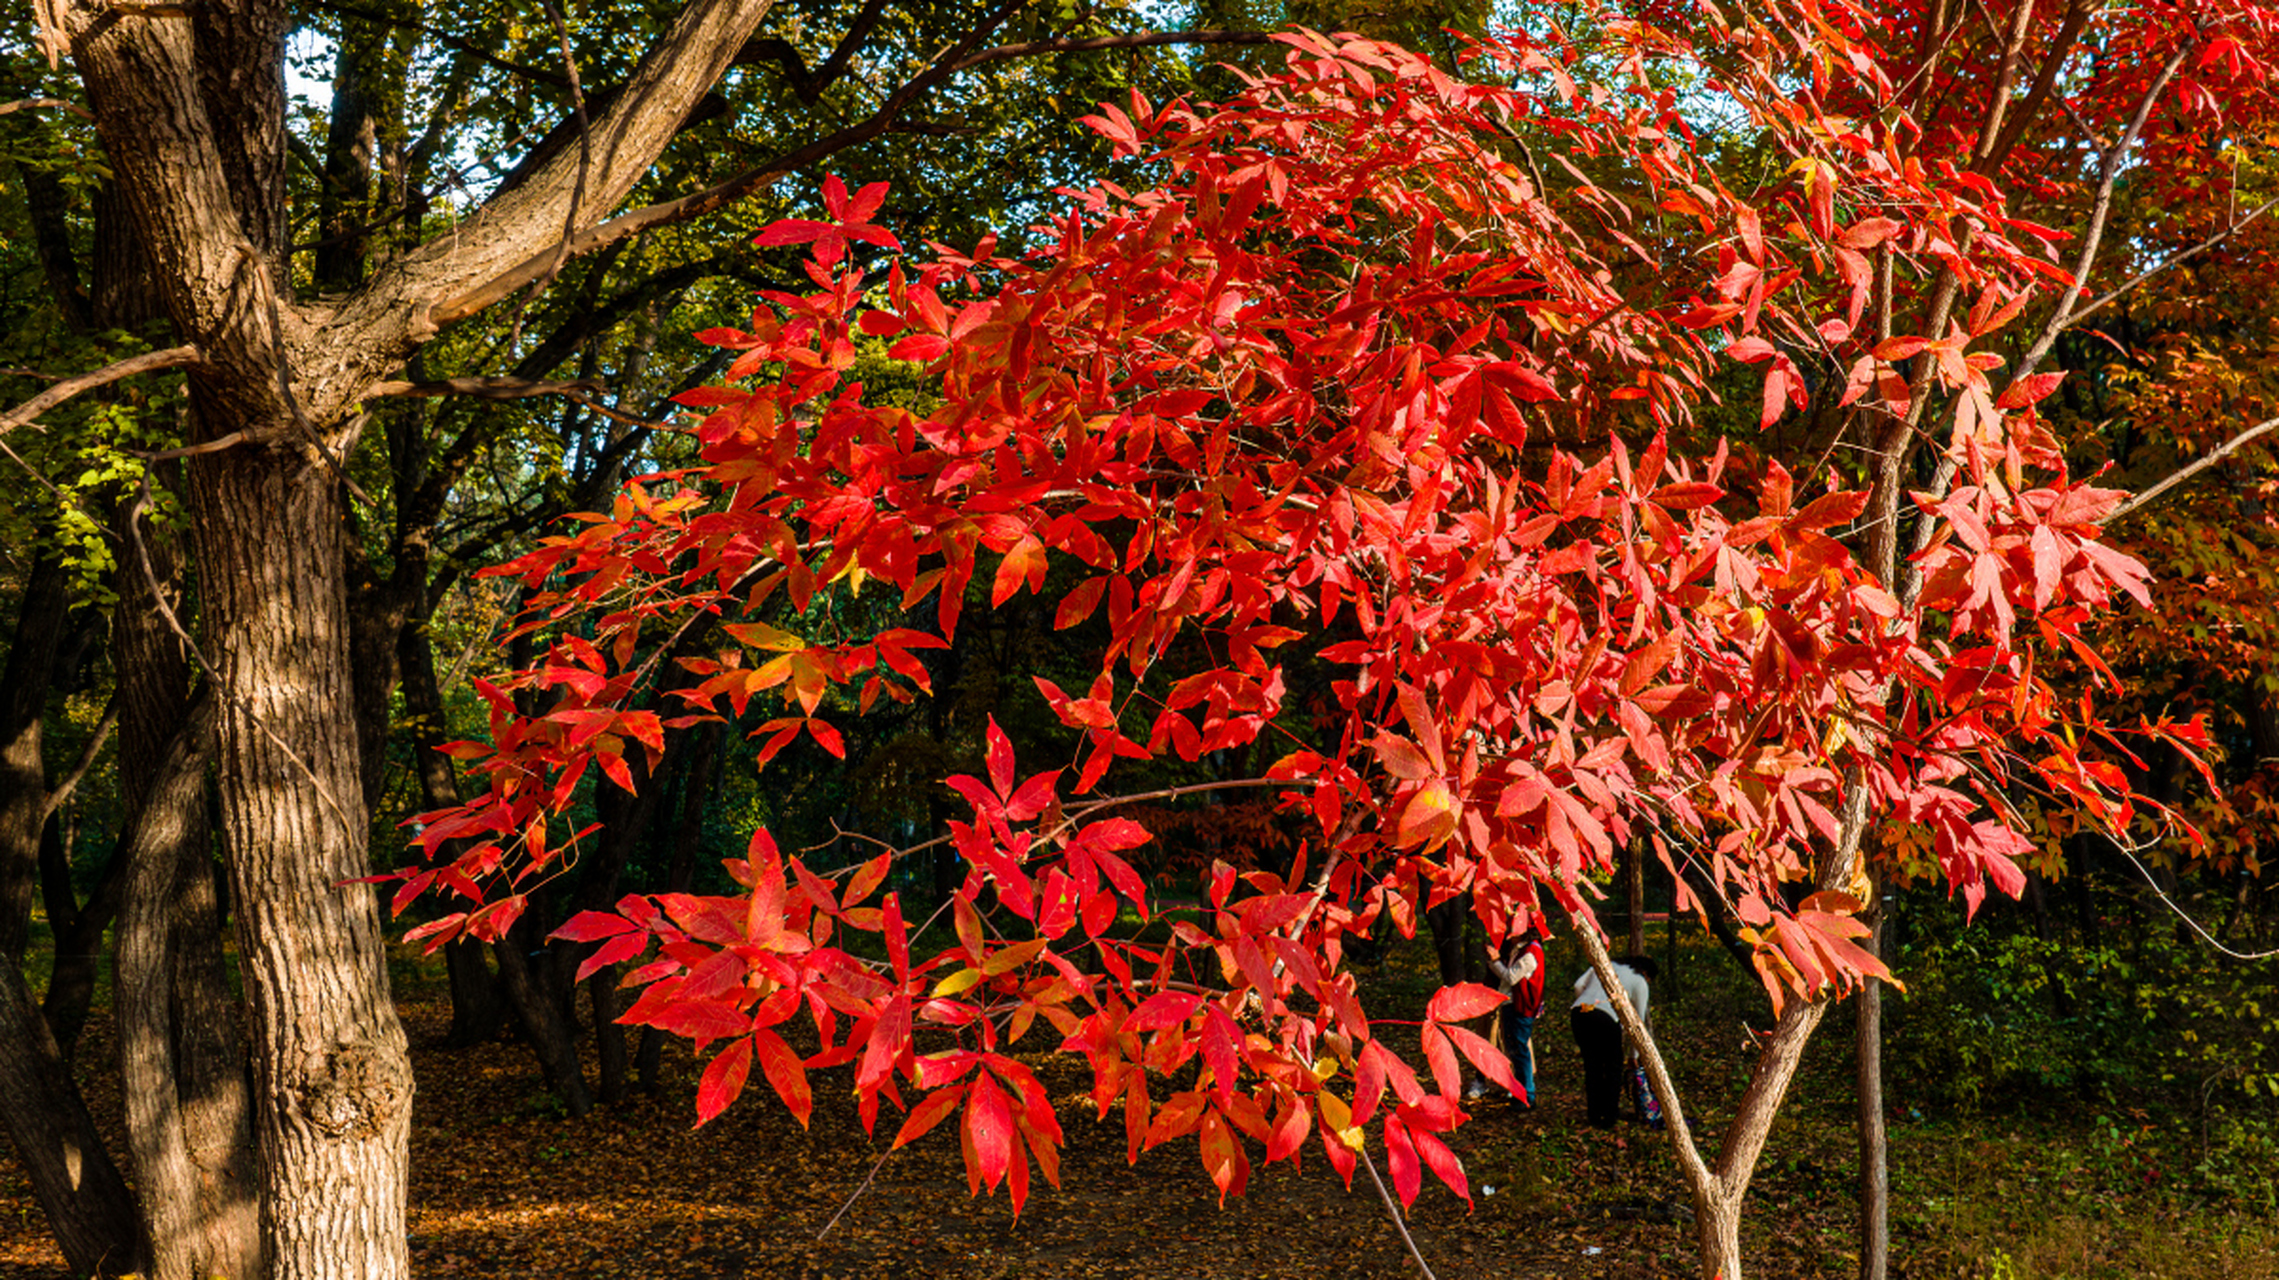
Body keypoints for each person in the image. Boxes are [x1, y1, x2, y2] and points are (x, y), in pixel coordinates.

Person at [1570, 953, 1657, 1128]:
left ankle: (1594, 1115)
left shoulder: (1605, 965)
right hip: (1605, 1017)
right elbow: (1637, 1023)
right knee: (1613, 1068)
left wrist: (1588, 1005)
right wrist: (1634, 1055)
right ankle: (1609, 1116)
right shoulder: (1639, 981)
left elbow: (1578, 985)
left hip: (1579, 1013)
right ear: (1647, 974)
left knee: (1592, 1066)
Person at [1482, 922, 1545, 1106]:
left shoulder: (1531, 952)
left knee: (1519, 1050)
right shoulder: (1520, 950)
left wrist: (1495, 961)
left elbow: (1511, 977)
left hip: (1520, 1007)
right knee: (1516, 1049)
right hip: (1513, 1005)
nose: (1509, 932)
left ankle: (1526, 1096)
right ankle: (1521, 1093)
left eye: (1513, 928)